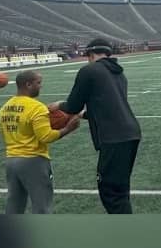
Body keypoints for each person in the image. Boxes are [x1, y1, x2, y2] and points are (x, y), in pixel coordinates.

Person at [51, 38, 142, 214]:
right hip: (131, 133)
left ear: (91, 54)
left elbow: (73, 105)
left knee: (110, 192)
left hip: (114, 137)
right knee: (120, 189)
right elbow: (108, 107)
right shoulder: (119, 73)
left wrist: (59, 105)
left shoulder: (89, 71)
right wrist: (84, 114)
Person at [0, 69, 82, 214]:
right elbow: (46, 137)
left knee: (14, 205)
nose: (40, 86)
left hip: (11, 160)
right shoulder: (36, 107)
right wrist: (68, 128)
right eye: (38, 83)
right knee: (42, 206)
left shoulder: (5, 107)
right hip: (33, 160)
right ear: (28, 84)